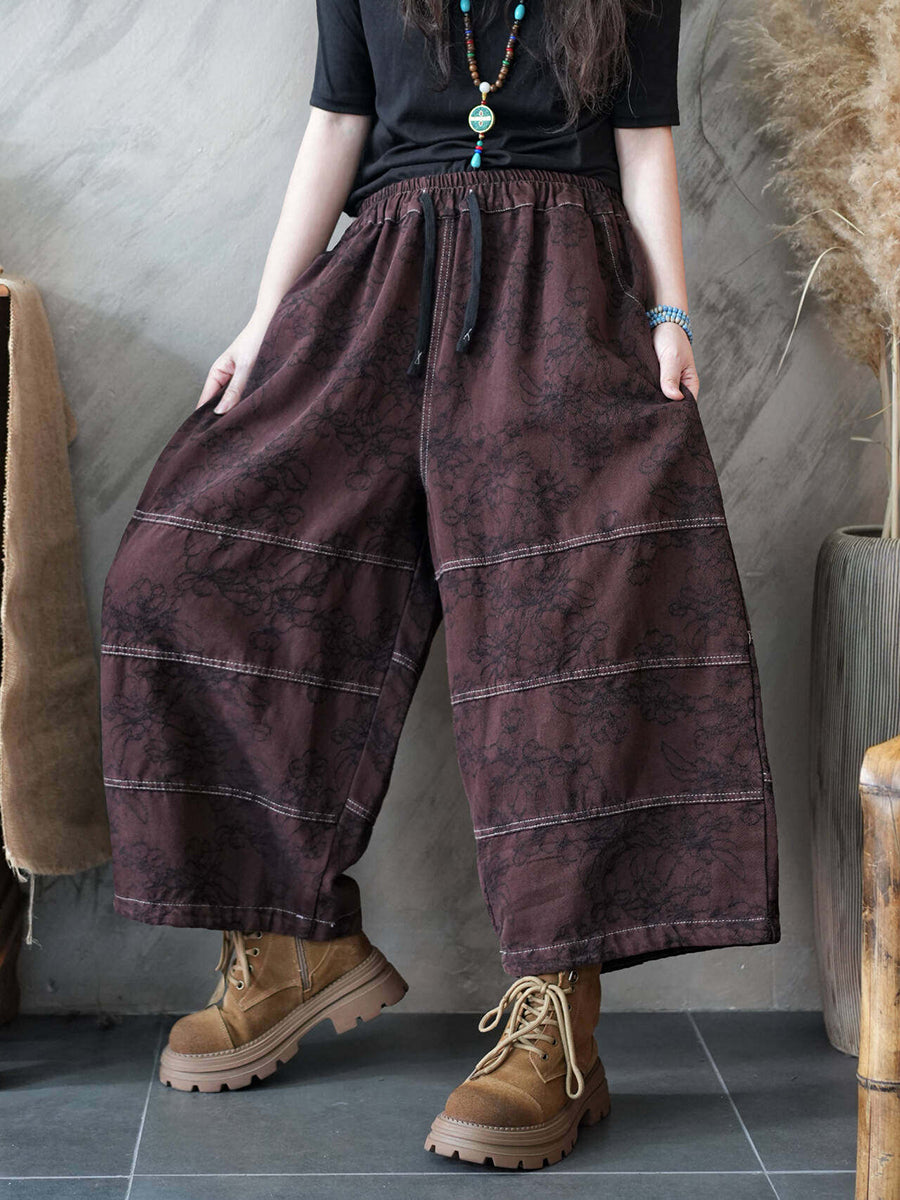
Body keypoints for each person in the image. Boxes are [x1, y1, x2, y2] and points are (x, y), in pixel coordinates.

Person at [99, 0, 780, 1170]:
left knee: (557, 633)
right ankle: (290, 941)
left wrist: (670, 312)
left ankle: (559, 1012)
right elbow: (336, 124)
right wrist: (264, 323)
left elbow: (644, 140)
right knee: (175, 577)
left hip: (563, 285)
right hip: (380, 279)